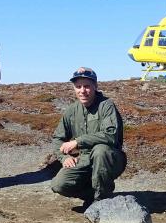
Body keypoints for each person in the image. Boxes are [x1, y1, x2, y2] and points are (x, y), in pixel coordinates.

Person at [51, 67, 126, 204]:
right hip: (84, 159)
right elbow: (57, 138)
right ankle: (91, 193)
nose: (82, 91)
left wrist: (77, 142)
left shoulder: (106, 106)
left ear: (95, 86)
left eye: (86, 86)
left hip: (110, 158)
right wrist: (64, 157)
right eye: (78, 87)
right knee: (58, 185)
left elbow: (110, 135)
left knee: (100, 151)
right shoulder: (72, 110)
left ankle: (102, 200)